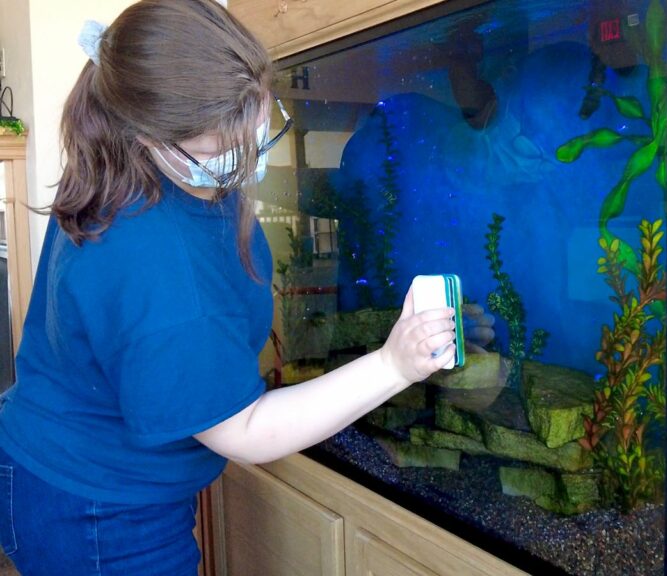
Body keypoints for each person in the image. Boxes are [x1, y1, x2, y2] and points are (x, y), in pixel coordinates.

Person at [0, 1, 465, 574]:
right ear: (150, 135)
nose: (247, 163)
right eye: (220, 152)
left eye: (258, 131)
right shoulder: (157, 268)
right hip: (98, 509)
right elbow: (246, 430)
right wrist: (394, 365)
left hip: (51, 452)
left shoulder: (120, 160)